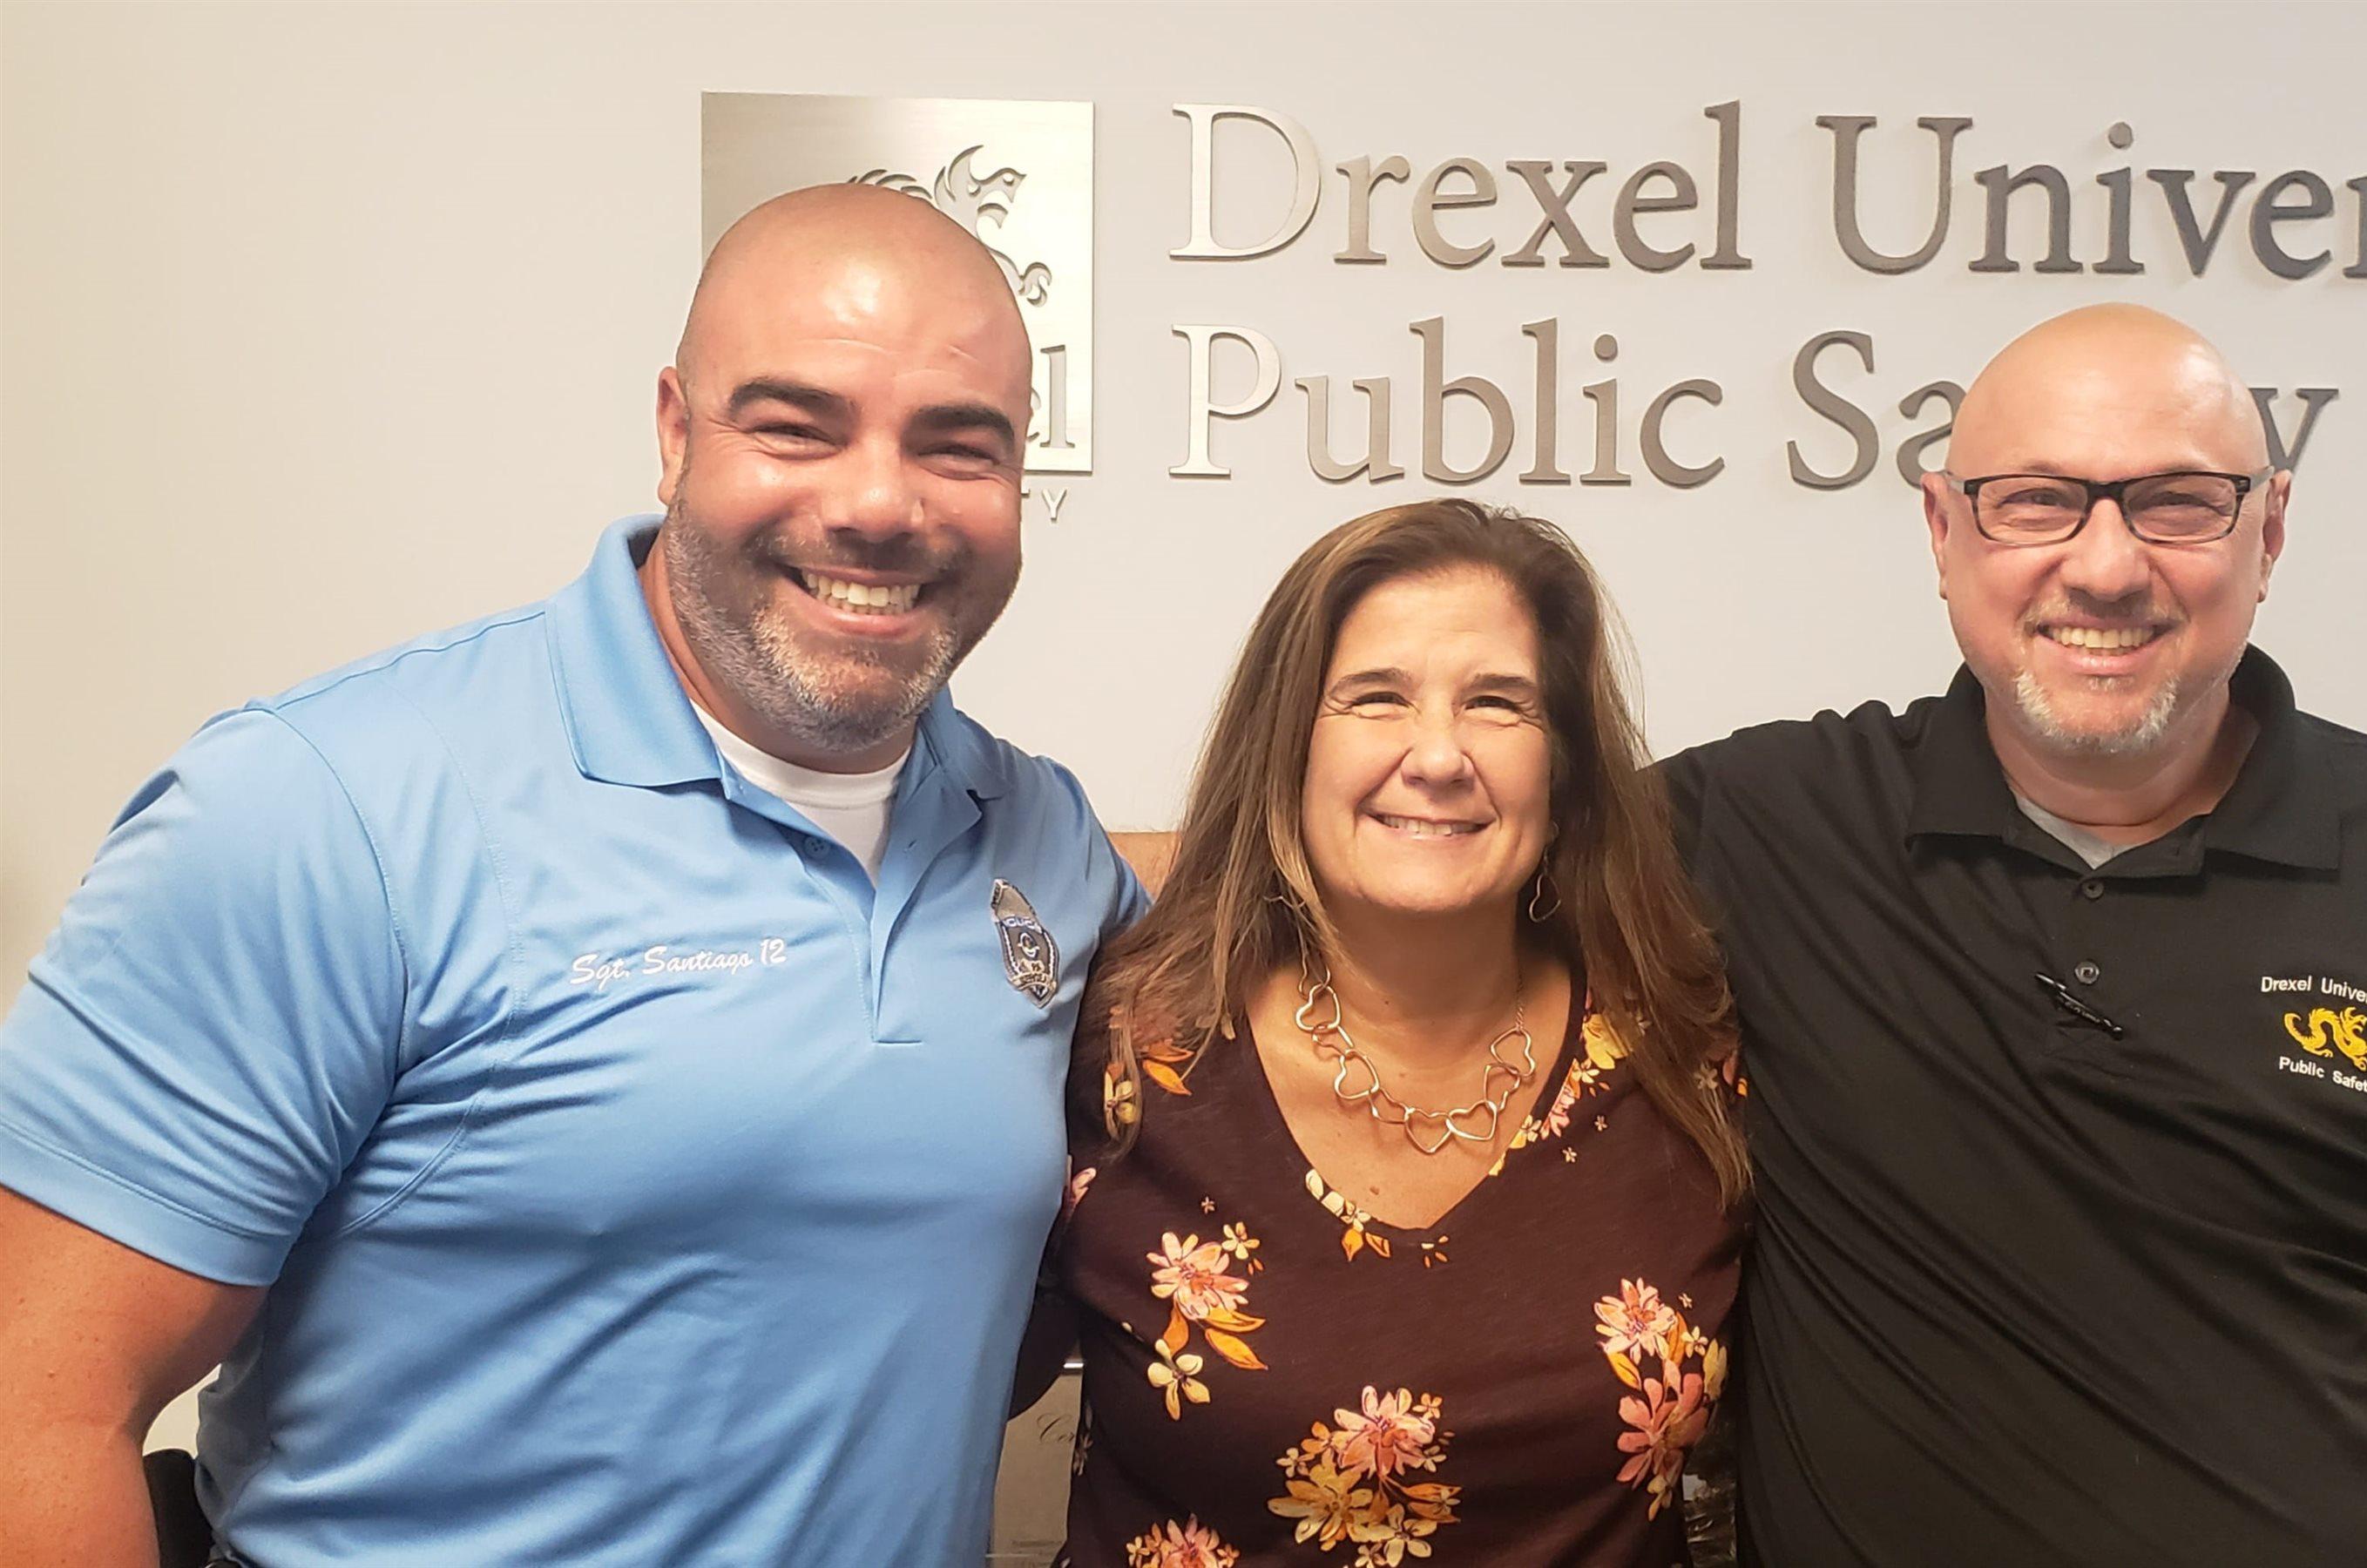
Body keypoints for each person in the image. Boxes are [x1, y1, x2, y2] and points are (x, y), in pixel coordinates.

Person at [0, 184, 1146, 1565]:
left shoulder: (1041, 844)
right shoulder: (328, 808)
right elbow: (36, 1406)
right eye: (797, 426)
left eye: (959, 447)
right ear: (674, 432)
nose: (878, 504)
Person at [1659, 302, 2367, 1567]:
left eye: (2180, 503)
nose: (2104, 566)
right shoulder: (1751, 832)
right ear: (1942, 530)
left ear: (2271, 530)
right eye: (2036, 501)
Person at [1049, 500, 1748, 1567]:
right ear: (1286, 748)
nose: (1437, 754)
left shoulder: (1685, 1056)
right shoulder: (1122, 1053)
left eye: (1497, 704)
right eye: (1374, 697)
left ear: (1562, 773)